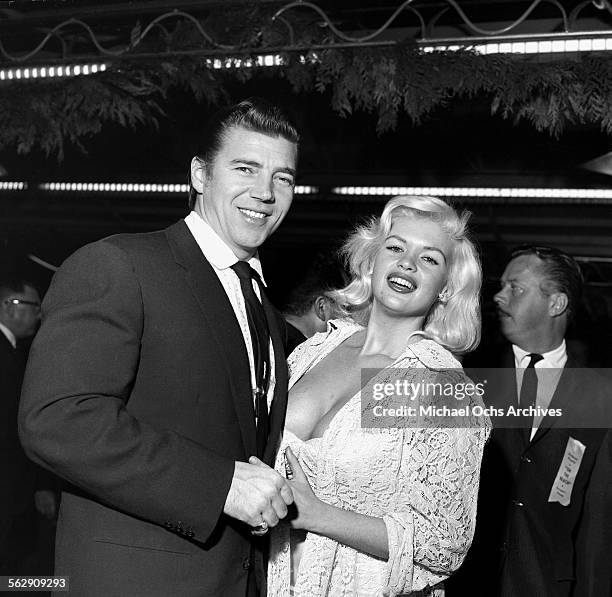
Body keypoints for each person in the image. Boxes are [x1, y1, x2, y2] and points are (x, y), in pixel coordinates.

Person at [19, 98, 301, 597]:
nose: (265, 192)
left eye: (283, 178)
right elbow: (58, 418)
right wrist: (219, 485)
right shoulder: (121, 265)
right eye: (245, 168)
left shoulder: (266, 313)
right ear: (199, 174)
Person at [266, 195, 491, 596]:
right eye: (396, 247)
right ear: (372, 261)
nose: (407, 262)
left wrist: (318, 516)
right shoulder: (313, 350)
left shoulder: (442, 387)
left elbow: (443, 544)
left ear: (445, 289)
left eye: (429, 259)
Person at [453, 246, 612, 597]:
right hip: (466, 582)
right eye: (501, 285)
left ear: (556, 304)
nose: (498, 296)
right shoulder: (466, 376)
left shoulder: (601, 397)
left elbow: (598, 523)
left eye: (515, 287)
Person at [0, 276, 57, 574]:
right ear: (9, 306)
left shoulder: (12, 353)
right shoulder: (7, 356)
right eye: (34, 306)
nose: (39, 314)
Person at [281, 257, 344, 352]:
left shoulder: (271, 333)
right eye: (345, 308)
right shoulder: (300, 356)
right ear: (321, 307)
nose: (350, 320)